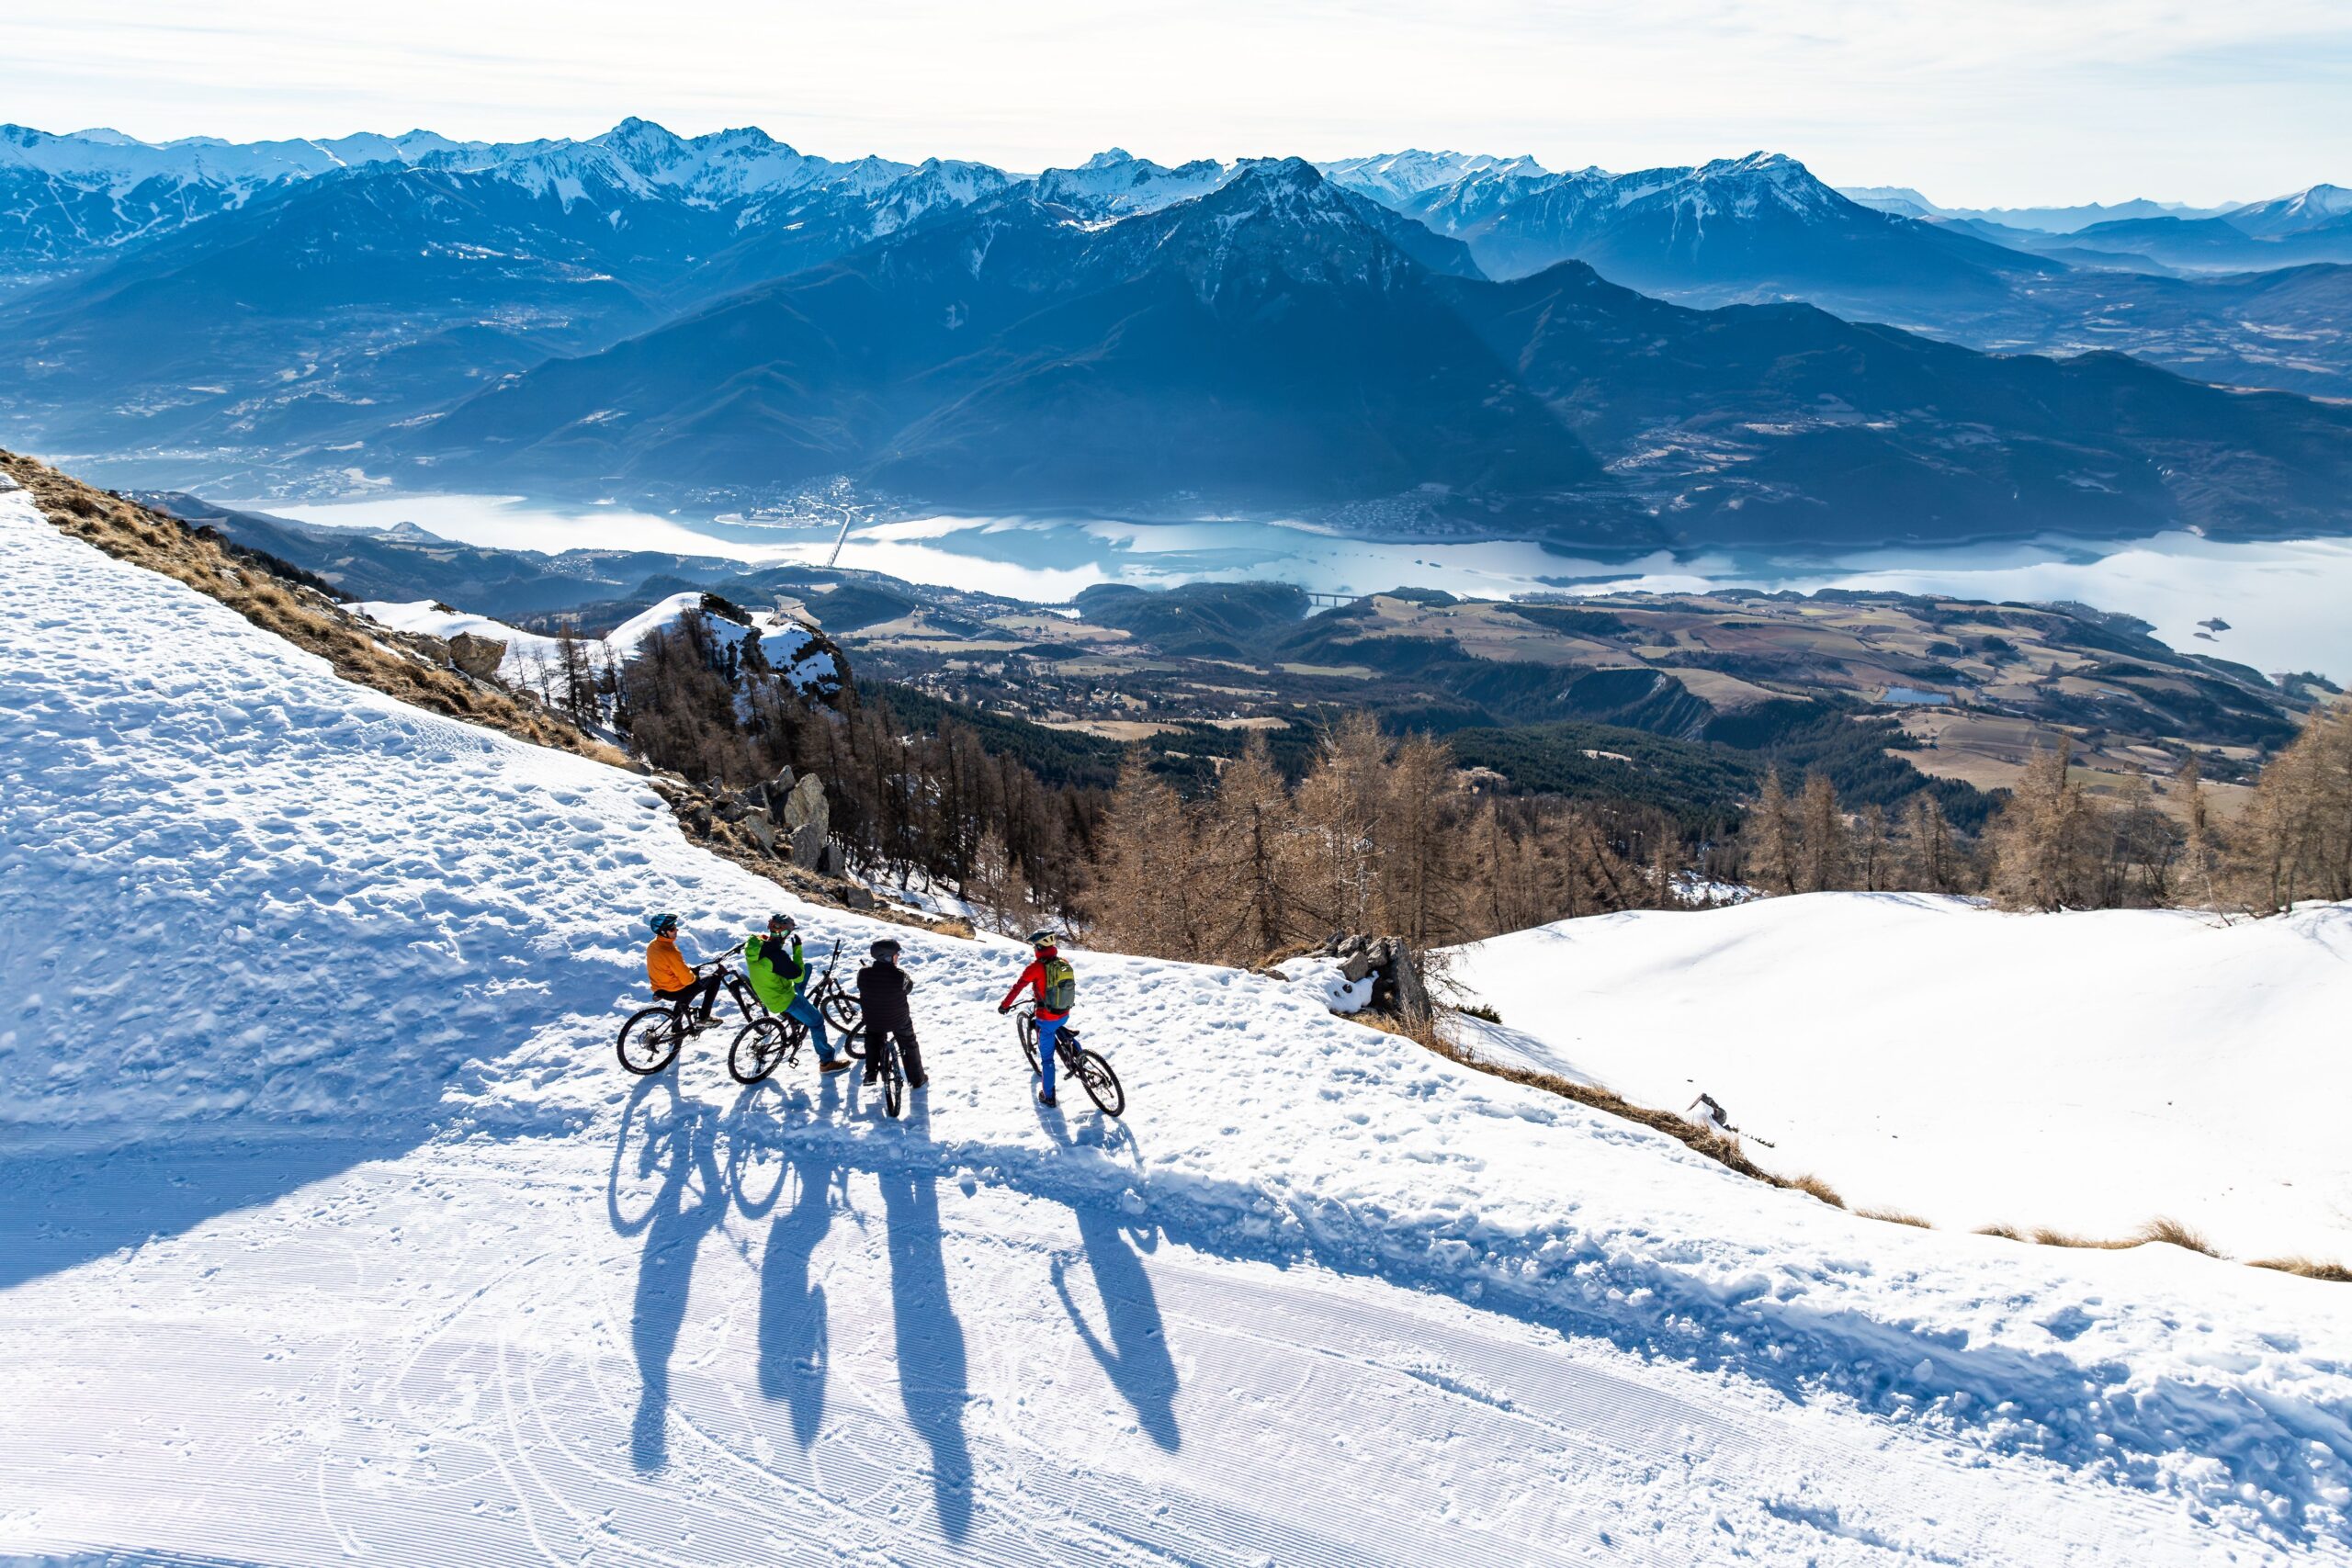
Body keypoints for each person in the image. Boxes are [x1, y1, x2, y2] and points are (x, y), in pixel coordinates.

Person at [745, 914, 849, 1075]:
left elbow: (773, 954)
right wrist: (797, 949)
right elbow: (798, 975)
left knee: (807, 967)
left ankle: (795, 1014)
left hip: (767, 991)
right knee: (816, 1021)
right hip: (782, 999)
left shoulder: (755, 943)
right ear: (785, 934)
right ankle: (827, 1062)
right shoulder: (778, 957)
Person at [999, 929, 1076, 1107]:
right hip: (1064, 1013)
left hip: (1046, 1018)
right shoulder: (1063, 962)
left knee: (1047, 1059)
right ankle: (1079, 1057)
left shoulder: (1035, 967)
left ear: (1039, 947)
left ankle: (1048, 1096)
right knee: (1059, 1027)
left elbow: (1017, 987)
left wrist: (1004, 1005)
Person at [856, 937, 927, 1091]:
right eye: (896, 954)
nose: (898, 957)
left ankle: (871, 1073)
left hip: (873, 1020)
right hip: (899, 1019)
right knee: (909, 1043)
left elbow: (861, 987)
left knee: (873, 1038)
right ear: (887, 957)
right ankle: (917, 1079)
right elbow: (909, 988)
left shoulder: (863, 973)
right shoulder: (900, 975)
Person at [644, 912, 721, 1030]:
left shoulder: (653, 945)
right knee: (714, 979)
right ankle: (704, 1018)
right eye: (672, 929)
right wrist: (694, 976)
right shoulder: (670, 952)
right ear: (663, 932)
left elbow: (667, 967)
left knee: (688, 988)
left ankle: (676, 1027)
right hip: (674, 990)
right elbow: (687, 980)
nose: (676, 930)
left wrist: (689, 971)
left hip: (660, 988)